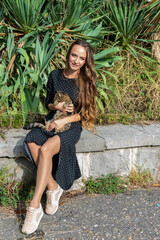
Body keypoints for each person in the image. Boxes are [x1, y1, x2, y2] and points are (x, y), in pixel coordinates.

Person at [22, 39, 97, 235]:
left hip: (71, 127)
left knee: (46, 149)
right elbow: (48, 103)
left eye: (82, 58)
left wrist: (66, 119)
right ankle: (53, 186)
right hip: (52, 121)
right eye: (74, 55)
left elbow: (86, 113)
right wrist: (58, 107)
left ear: (86, 61)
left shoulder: (85, 81)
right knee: (31, 139)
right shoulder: (55, 75)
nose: (76, 60)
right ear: (68, 54)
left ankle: (34, 206)